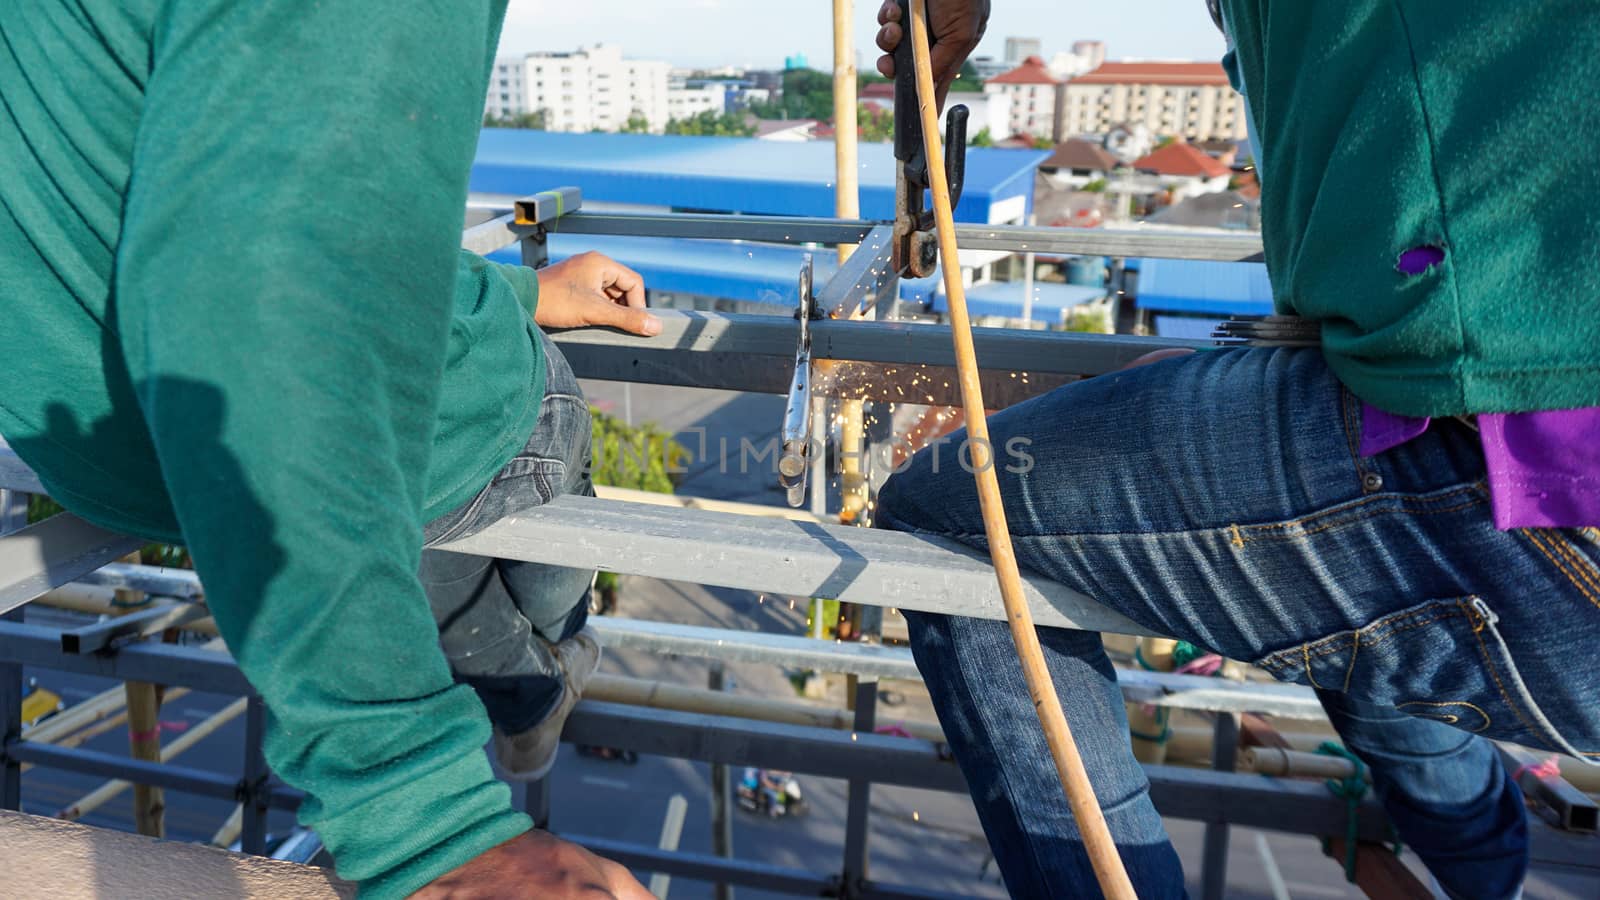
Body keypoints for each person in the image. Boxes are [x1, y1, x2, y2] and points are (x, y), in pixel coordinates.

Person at [874, 1, 1599, 897]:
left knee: (943, 511)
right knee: (1350, 591)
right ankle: (1482, 872)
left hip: (1516, 433)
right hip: (1491, 429)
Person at [0, 2, 657, 897]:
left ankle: (537, 691)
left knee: (474, 607)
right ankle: (549, 687)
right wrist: (432, 821)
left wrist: (518, 288)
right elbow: (278, 288)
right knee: (545, 580)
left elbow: (186, 189)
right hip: (415, 443)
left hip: (136, 467)